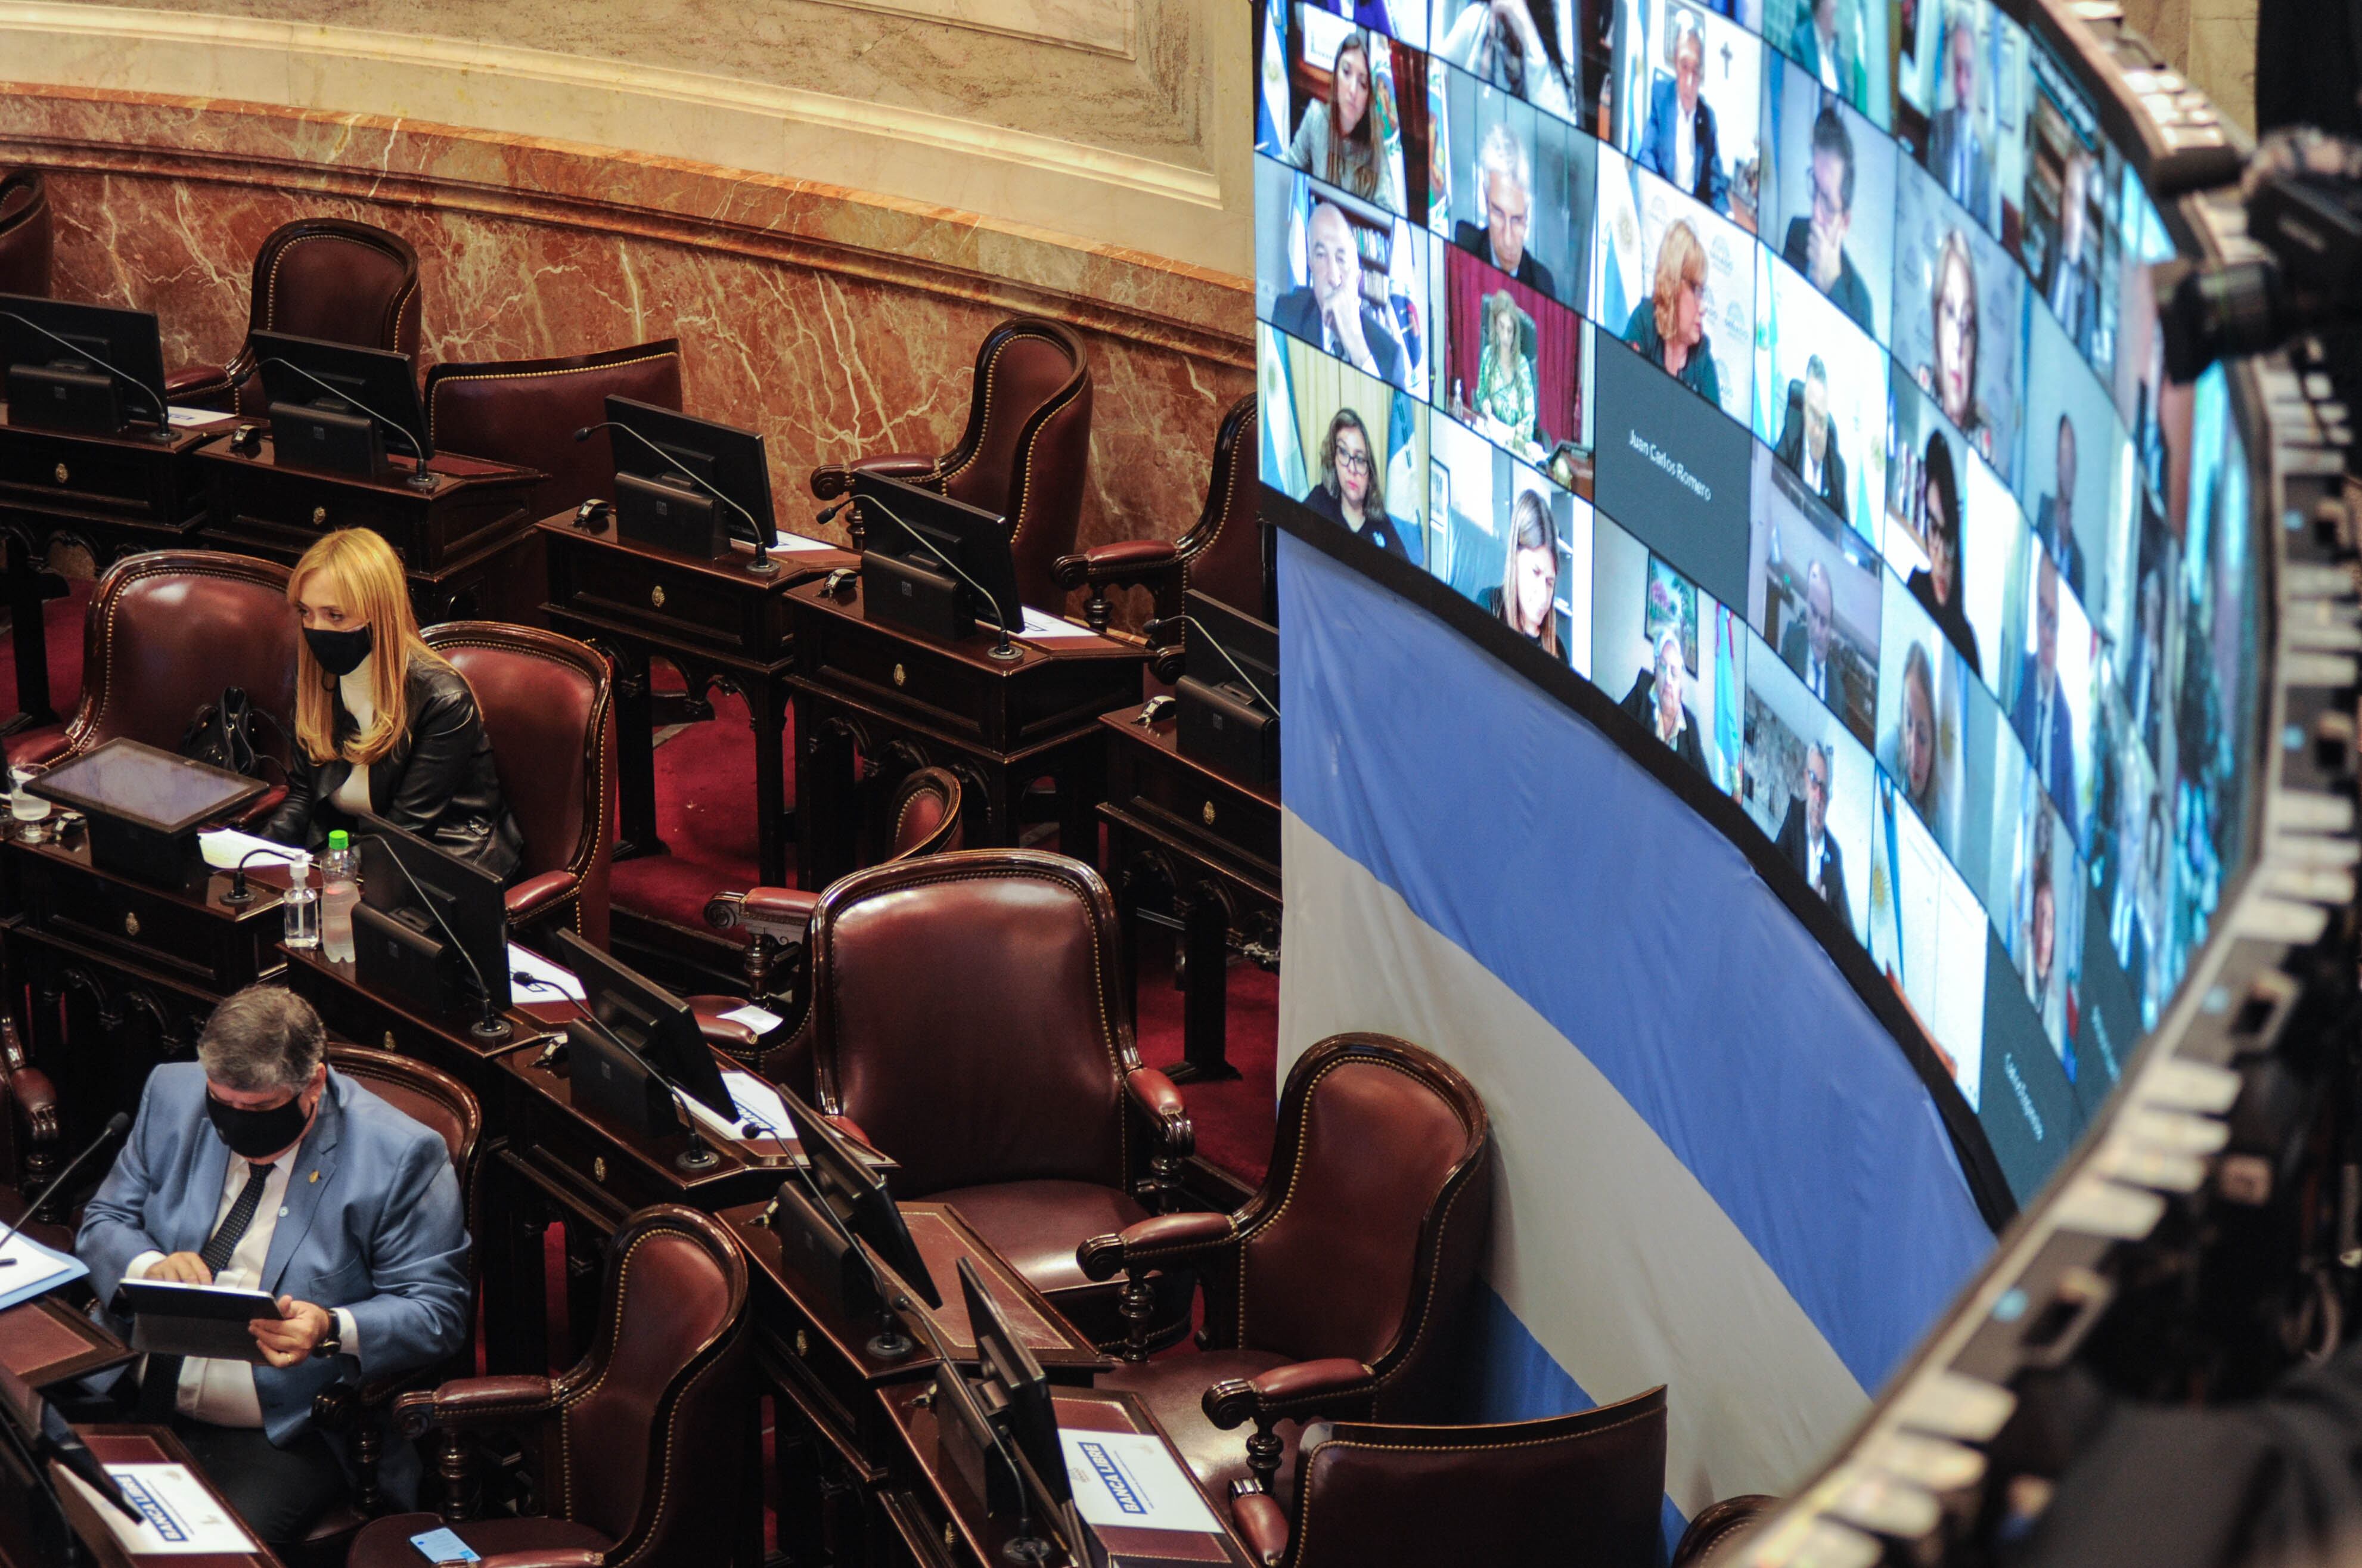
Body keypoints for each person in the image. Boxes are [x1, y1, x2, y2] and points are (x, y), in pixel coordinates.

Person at [77, 986, 470, 1544]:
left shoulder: (399, 1155)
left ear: (313, 1083)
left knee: (195, 1558)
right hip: (129, 1383)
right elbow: (106, 1216)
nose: (236, 1125)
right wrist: (147, 1264)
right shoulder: (174, 1091)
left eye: (259, 1110)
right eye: (223, 1103)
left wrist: (331, 1328)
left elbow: (437, 1312)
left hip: (281, 1431)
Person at [259, 529, 522, 878]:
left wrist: (325, 872)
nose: (315, 629)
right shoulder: (316, 681)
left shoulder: (442, 700)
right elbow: (304, 797)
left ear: (378, 616)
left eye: (335, 615)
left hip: (446, 863)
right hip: (356, 856)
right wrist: (254, 858)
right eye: (306, 612)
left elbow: (407, 833)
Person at [1272, 201, 1407, 386]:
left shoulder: (1391, 356)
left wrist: (1357, 345)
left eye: (1342, 259)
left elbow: (1392, 415)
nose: (1334, 277)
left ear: (1358, 278)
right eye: (1321, 256)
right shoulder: (1287, 312)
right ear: (1310, 265)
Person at [1780, 104, 1874, 331]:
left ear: (1845, 223)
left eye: (1828, 205)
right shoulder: (1797, 231)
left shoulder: (1861, 304)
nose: (1815, 213)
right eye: (1815, 189)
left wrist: (1833, 287)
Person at [1637, 11, 1729, 213]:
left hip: (1692, 217)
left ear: (1702, 74)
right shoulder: (1660, 96)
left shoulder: (1708, 118)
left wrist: (1727, 215)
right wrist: (1658, 193)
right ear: (1676, 64)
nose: (1689, 82)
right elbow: (1647, 153)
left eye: (1696, 70)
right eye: (1684, 67)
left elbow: (1716, 185)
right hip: (1661, 205)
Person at [1906, 433, 1983, 677]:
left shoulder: (1966, 643)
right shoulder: (1914, 589)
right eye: (1932, 527)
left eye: (1946, 534)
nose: (1938, 554)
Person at [1453, 121, 1559, 296]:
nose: (1508, 240)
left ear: (1528, 213)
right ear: (1485, 200)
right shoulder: (1462, 249)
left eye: (1517, 219)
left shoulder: (1543, 283)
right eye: (1498, 214)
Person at [1286, 27, 1389, 206]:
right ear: (1335, 76)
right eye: (1346, 72)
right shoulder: (1316, 116)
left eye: (1363, 83)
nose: (1353, 90)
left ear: (1368, 99)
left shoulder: (1376, 143)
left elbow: (1388, 208)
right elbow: (1290, 165)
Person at [1622, 219, 1720, 403]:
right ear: (1674, 285)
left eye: (1703, 293)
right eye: (1697, 291)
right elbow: (1620, 389)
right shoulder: (1644, 323)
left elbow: (1715, 432)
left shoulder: (1703, 360)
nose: (1704, 308)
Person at [1917, 230, 1996, 459]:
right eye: (1950, 312)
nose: (1959, 344)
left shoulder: (1982, 438)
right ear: (1936, 321)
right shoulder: (1920, 387)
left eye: (1968, 324)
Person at [2012, 551, 2078, 816]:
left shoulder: (2064, 715)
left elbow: (2069, 820)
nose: (2047, 634)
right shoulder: (2019, 676)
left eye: (2054, 621)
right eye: (2043, 615)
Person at [1433, 0, 1578, 118]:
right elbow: (1435, 81)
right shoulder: (1477, 20)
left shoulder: (1544, 49)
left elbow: (1557, 132)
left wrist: (1528, 33)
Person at [1301, 408, 1414, 557]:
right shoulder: (1318, 502)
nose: (1352, 469)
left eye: (1360, 460)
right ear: (1334, 460)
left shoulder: (1383, 527)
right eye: (1343, 452)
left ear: (1370, 473)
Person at [1924, 6, 1992, 225]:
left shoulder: (1985, 156)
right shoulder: (1937, 125)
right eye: (1957, 69)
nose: (1961, 85)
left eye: (1969, 71)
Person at [1621, 629, 1712, 778]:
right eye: (1663, 667)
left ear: (1681, 680)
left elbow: (1704, 783)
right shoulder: (1642, 693)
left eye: (1674, 672)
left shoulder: (1690, 725)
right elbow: (1612, 730)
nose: (1669, 680)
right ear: (1655, 669)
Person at [1776, 738, 1849, 914]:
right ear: (1806, 780)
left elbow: (1845, 926)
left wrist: (1823, 915)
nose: (1819, 796)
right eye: (1815, 782)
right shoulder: (1795, 816)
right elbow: (1773, 869)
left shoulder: (1834, 852)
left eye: (1824, 789)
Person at [1482, 490, 1560, 654]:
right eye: (1535, 572)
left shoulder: (1558, 649)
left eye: (1549, 583)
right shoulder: (1490, 605)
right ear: (1516, 558)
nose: (1544, 597)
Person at [1774, 356, 1848, 521]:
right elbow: (1770, 485)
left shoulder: (1837, 469)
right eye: (1812, 415)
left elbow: (1844, 535)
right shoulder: (1791, 436)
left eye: (1822, 421)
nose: (1817, 431)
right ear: (1804, 409)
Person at [2045, 147, 2100, 347]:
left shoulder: (2088, 284)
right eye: (2068, 196)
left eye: (2077, 201)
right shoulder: (2051, 241)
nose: (2070, 209)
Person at [1881, 639, 1941, 821]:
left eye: (1922, 738)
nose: (1913, 753)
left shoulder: (1942, 812)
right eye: (1908, 723)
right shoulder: (1888, 751)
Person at [1473, 289, 1539, 449]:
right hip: (1490, 437)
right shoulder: (1488, 355)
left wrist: (1520, 431)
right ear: (1495, 325)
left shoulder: (1522, 365)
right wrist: (1485, 403)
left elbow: (1529, 419)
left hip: (1514, 444)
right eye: (1501, 328)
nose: (1505, 337)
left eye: (1510, 330)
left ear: (1515, 332)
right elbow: (1481, 395)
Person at [2035, 412, 2086, 598]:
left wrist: (2066, 547)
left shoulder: (2079, 562)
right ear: (2057, 462)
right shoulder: (2039, 511)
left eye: (2072, 460)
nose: (2068, 468)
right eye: (2065, 456)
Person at [1780, 558, 1839, 705]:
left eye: (1824, 621)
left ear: (1832, 626)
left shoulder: (1838, 692)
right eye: (1813, 611)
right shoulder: (1792, 639)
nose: (1817, 631)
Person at [1787, 0, 1859, 100]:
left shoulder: (1836, 53)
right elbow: (1797, 92)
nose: (1836, 6)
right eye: (1832, 3)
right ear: (1821, 4)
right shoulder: (1801, 41)